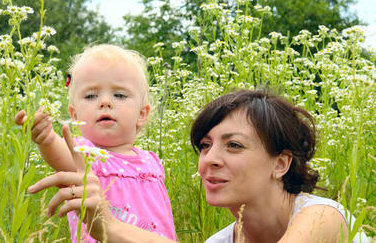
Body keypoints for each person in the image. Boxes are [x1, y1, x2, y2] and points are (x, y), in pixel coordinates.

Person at [27, 89, 370, 243]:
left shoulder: (322, 218)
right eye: (205, 146)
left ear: (281, 163)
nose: (210, 159)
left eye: (233, 145)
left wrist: (111, 227)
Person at [15, 44, 176, 242]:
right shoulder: (87, 154)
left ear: (141, 114)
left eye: (119, 95)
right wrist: (47, 138)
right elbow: (63, 156)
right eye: (91, 96)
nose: (105, 102)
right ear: (74, 115)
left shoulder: (152, 161)